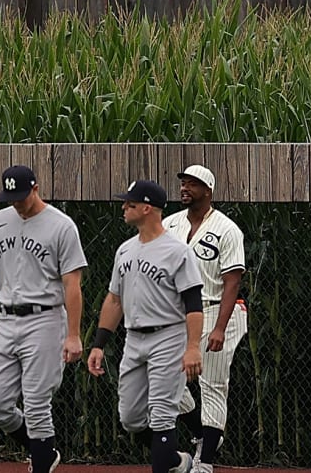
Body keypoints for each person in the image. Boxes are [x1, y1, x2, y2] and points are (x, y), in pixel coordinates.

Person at [0, 164, 87, 473]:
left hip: (45, 319)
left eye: (21, 196)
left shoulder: (61, 226)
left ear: (36, 189)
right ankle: (44, 452)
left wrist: (73, 334)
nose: (17, 203)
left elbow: (72, 284)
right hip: (6, 320)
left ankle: (39, 463)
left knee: (36, 403)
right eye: (11, 197)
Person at [88, 180, 205, 473]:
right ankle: (178, 462)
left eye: (130, 202)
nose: (123, 207)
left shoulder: (177, 251)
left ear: (147, 207)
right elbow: (114, 300)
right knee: (130, 418)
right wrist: (99, 343)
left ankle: (166, 463)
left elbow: (193, 304)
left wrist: (192, 347)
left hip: (169, 336)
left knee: (163, 415)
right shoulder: (125, 251)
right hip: (134, 339)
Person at [165, 164, 246, 473]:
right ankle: (202, 435)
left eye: (193, 184)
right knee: (167, 381)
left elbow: (232, 281)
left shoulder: (226, 229)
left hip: (216, 309)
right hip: (179, 314)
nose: (185, 187)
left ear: (208, 191)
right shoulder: (170, 224)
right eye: (183, 182)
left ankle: (206, 462)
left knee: (212, 384)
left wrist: (220, 328)